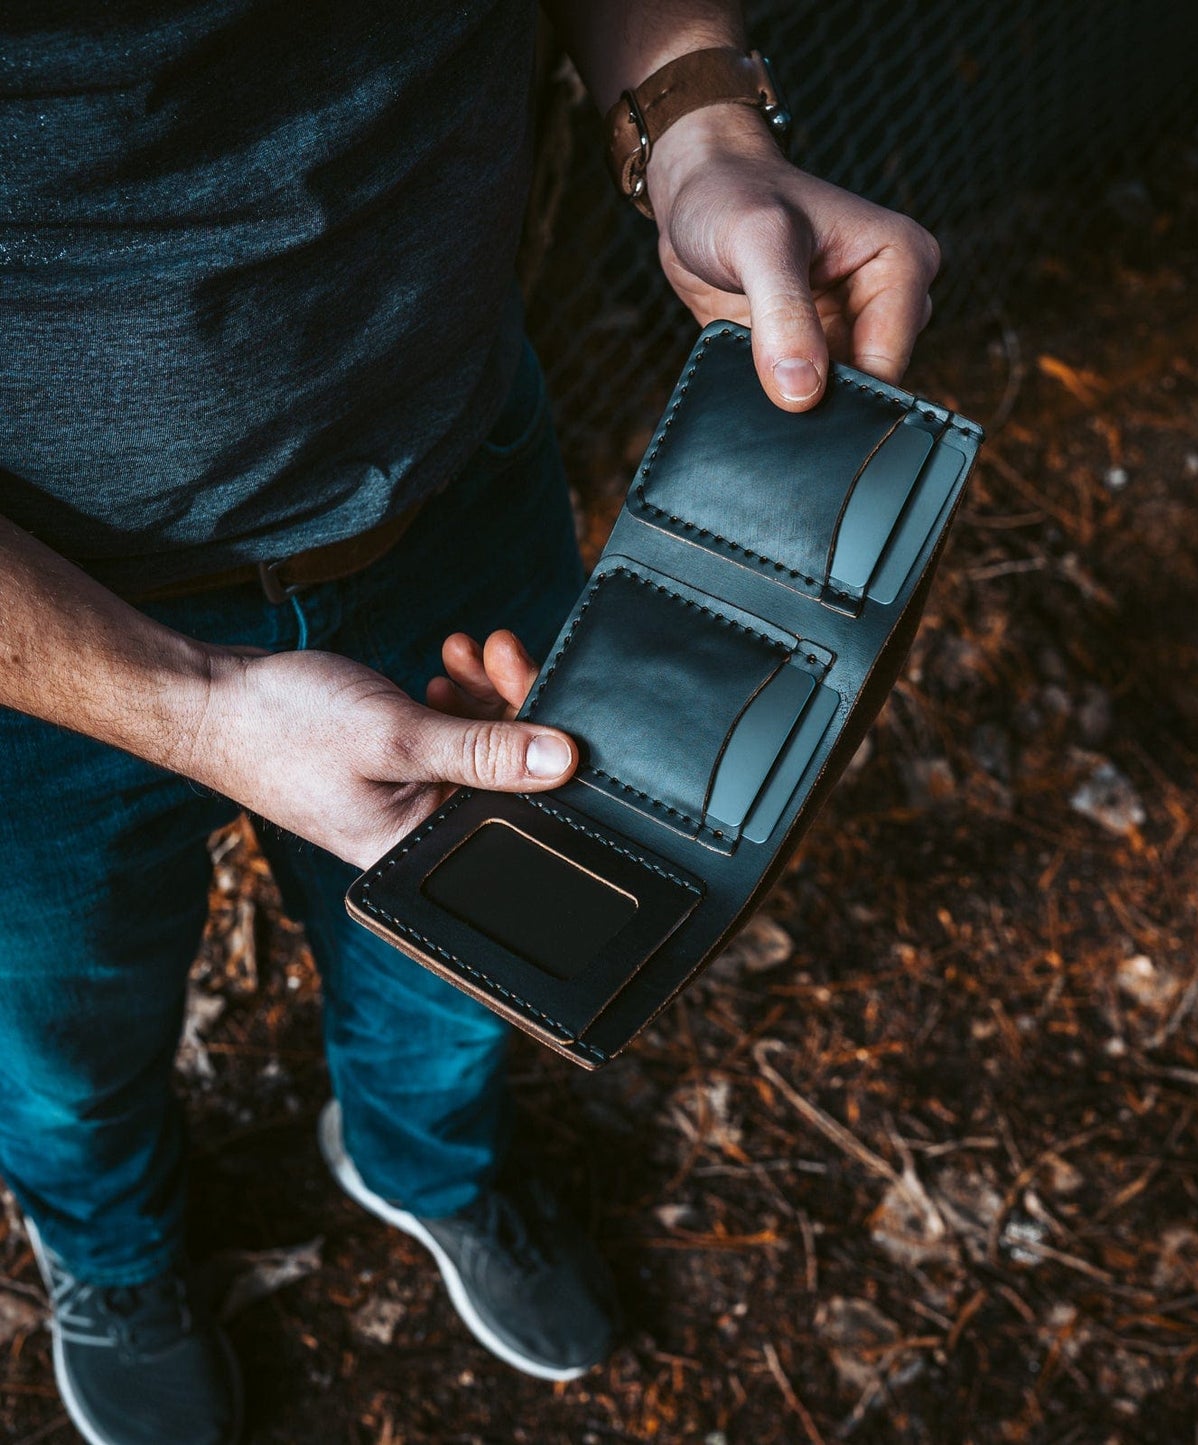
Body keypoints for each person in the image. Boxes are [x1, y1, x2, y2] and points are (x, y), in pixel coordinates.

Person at [0, 3, 939, 1441]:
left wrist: (695, 125)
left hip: (454, 480)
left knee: (484, 936)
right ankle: (112, 1250)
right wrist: (185, 706)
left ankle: (425, 1162)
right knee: (57, 1028)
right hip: (40, 631)